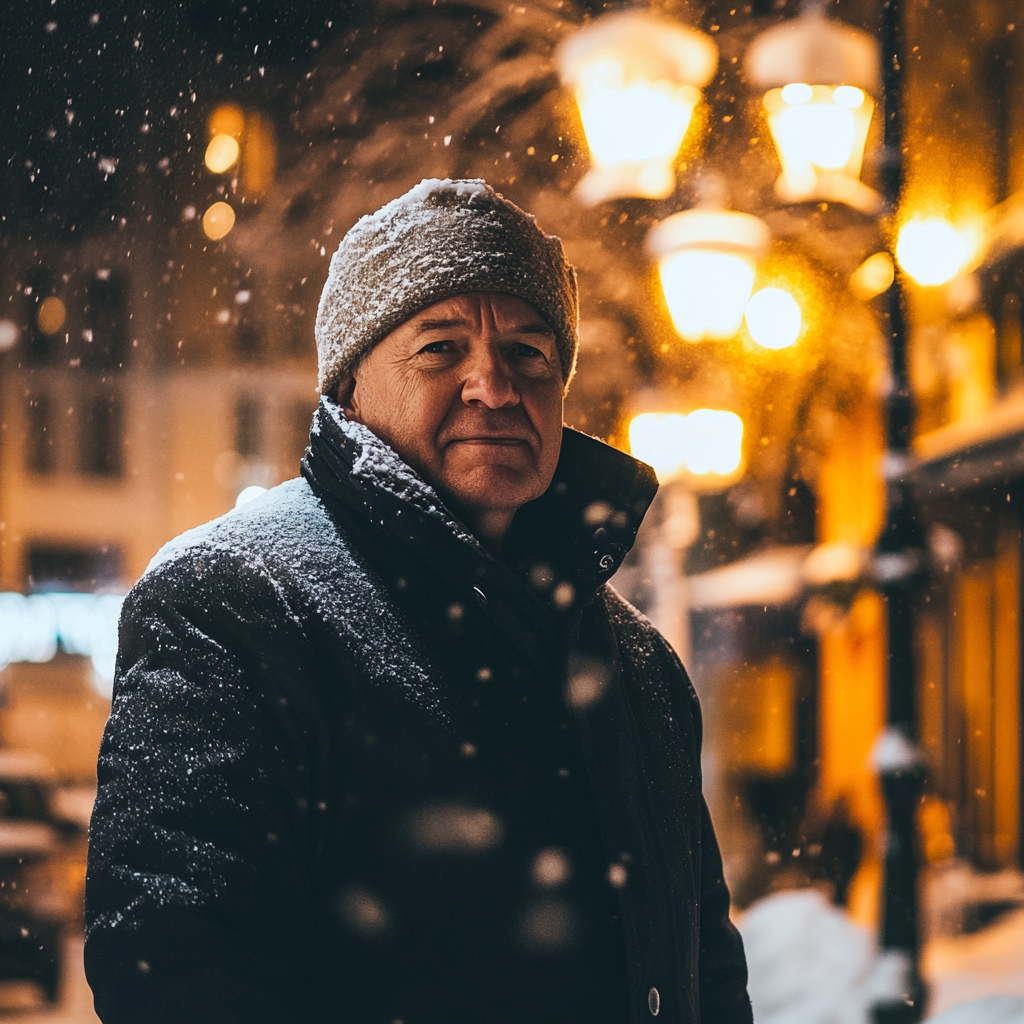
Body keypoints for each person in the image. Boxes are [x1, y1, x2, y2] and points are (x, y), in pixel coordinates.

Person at [84, 178, 752, 1023]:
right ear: (351, 388)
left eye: (529, 354)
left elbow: (706, 972)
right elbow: (177, 974)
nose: (495, 387)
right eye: (441, 349)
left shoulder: (640, 663)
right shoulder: (235, 602)